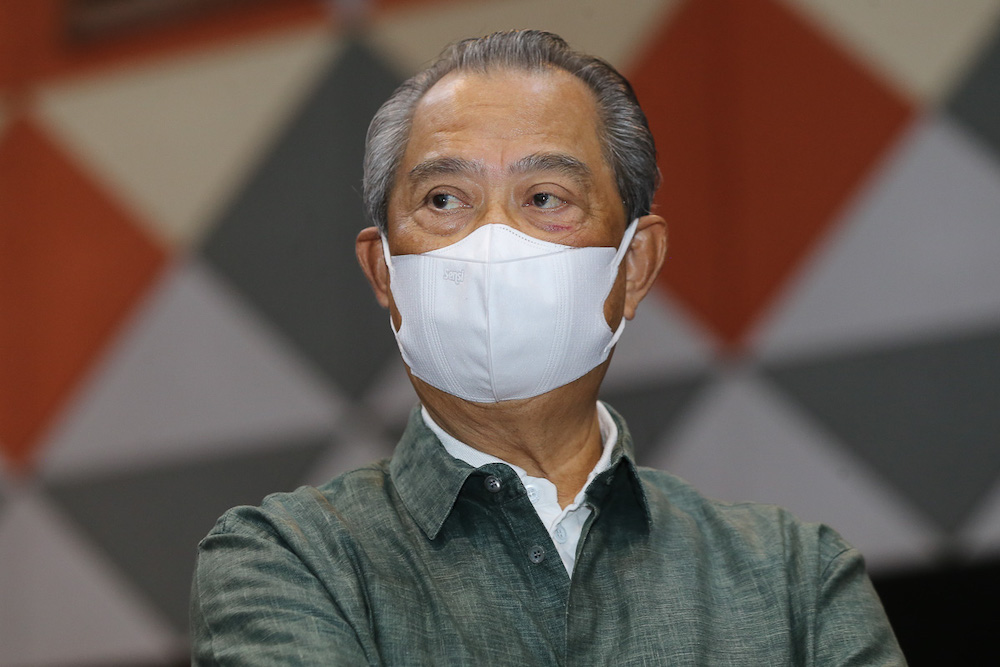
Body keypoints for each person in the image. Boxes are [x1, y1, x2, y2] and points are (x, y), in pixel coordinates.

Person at [190, 30, 906, 665]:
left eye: (545, 199)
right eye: (444, 199)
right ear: (384, 271)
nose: (491, 241)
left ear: (633, 268)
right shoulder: (291, 561)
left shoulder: (792, 578)